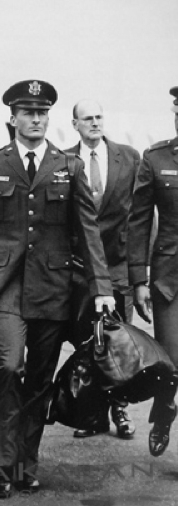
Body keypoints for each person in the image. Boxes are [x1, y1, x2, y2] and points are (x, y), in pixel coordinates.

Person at [0, 80, 115, 498]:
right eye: (28, 112)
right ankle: (2, 465)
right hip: (5, 287)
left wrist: (102, 288)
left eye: (42, 113)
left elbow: (88, 231)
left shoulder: (69, 166)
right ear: (12, 118)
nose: (36, 119)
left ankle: (25, 464)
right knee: (10, 367)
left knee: (39, 379)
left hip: (53, 287)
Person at [65, 99, 140, 439]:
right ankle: (93, 414)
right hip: (80, 267)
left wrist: (139, 270)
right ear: (75, 124)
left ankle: (121, 409)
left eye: (98, 117)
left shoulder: (129, 157)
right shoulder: (64, 160)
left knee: (120, 340)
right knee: (88, 340)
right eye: (87, 118)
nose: (94, 123)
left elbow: (141, 214)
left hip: (118, 264)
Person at [127, 85, 178, 458]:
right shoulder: (157, 158)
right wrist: (139, 280)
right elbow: (139, 221)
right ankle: (165, 409)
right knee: (171, 362)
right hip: (168, 281)